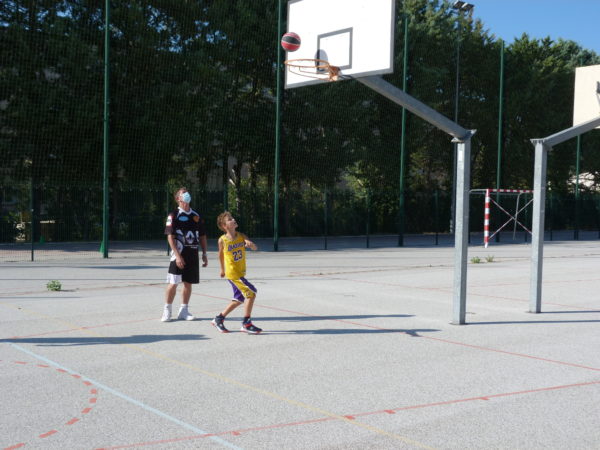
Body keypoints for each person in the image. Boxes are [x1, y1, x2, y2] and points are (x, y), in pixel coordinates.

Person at [162, 187, 208, 322]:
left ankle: (184, 310)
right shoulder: (173, 215)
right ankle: (167, 310)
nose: (187, 195)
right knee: (173, 283)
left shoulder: (196, 215)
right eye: (183, 194)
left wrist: (204, 253)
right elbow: (170, 237)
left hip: (192, 254)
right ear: (178, 198)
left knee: (188, 283)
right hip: (178, 255)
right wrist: (177, 256)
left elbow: (202, 236)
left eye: (187, 193)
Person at [212, 211, 262, 334]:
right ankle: (246, 323)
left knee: (239, 298)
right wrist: (222, 269)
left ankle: (219, 319)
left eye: (232, 218)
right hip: (233, 273)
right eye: (230, 219)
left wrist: (251, 245)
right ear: (224, 226)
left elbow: (255, 247)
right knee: (251, 293)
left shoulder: (241, 236)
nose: (233, 220)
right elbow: (220, 255)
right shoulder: (222, 240)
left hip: (240, 272)